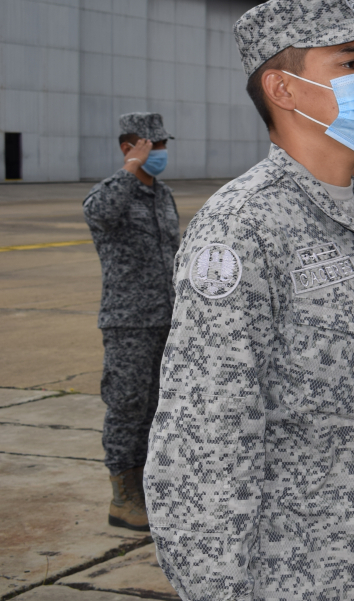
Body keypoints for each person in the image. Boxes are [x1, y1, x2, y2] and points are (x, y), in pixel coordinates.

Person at [143, 0, 354, 600]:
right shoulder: (243, 228)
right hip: (299, 580)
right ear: (283, 90)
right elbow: (205, 446)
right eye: (352, 63)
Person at [83, 112, 180, 532]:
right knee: (126, 407)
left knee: (158, 409)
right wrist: (129, 169)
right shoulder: (112, 193)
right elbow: (99, 215)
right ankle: (123, 497)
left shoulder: (162, 195)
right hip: (128, 320)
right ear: (130, 147)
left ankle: (150, 488)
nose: (160, 153)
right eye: (152, 146)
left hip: (166, 319)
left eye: (161, 145)